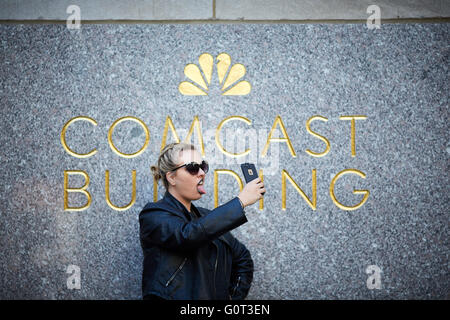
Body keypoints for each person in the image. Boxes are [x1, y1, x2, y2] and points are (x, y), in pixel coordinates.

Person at [139, 142, 265, 300]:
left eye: (203, 166)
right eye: (192, 167)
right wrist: (240, 202)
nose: (201, 173)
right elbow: (187, 235)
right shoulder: (153, 215)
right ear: (171, 177)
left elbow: (242, 258)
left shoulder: (207, 218)